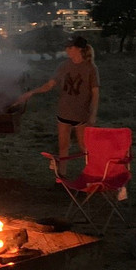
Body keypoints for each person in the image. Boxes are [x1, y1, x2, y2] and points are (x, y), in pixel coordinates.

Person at [13, 35, 100, 177]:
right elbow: (49, 85)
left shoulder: (90, 68)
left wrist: (93, 113)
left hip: (82, 114)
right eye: (67, 47)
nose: (67, 50)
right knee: (63, 147)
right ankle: (62, 177)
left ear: (78, 49)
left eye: (70, 47)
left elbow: (95, 93)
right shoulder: (64, 66)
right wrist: (31, 93)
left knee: (84, 147)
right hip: (64, 112)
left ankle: (90, 177)